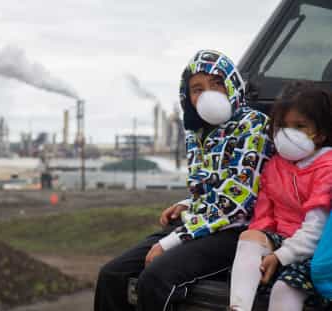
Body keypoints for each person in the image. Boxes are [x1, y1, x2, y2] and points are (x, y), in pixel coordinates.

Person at [94, 49, 273, 311]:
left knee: (155, 280)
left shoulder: (254, 125)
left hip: (237, 230)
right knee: (112, 275)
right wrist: (188, 203)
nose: (208, 94)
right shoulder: (196, 131)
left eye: (217, 84)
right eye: (197, 89)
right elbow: (213, 184)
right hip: (201, 223)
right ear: (188, 96)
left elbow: (237, 201)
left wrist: (170, 241)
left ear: (233, 85)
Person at [229, 87, 332, 311]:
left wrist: (280, 256)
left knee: (284, 289)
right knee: (251, 236)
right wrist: (264, 251)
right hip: (282, 240)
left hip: (314, 251)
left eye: (299, 126)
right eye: (282, 126)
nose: (287, 133)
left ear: (321, 133)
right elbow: (263, 216)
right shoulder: (275, 165)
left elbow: (317, 229)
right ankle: (238, 307)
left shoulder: (328, 168)